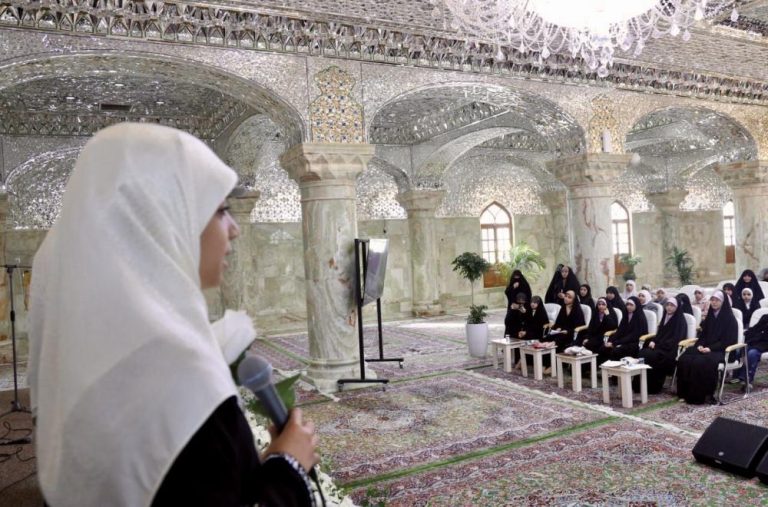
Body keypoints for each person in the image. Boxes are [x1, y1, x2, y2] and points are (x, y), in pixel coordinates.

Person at [27, 124, 319, 507]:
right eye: (219, 211)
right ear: (166, 221)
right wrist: (289, 466)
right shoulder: (177, 373)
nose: (233, 231)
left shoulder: (100, 359)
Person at [676, 290, 738, 405]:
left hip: (722, 350)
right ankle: (685, 393)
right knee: (685, 358)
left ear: (723, 302)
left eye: (717, 300)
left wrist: (710, 349)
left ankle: (702, 395)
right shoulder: (710, 316)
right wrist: (700, 345)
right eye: (712, 300)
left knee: (700, 362)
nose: (714, 303)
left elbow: (728, 340)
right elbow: (703, 335)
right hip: (706, 347)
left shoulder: (730, 319)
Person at [636, 298, 687, 394]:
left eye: (672, 305)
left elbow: (676, 339)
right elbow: (659, 334)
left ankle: (653, 387)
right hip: (660, 347)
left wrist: (658, 344)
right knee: (642, 353)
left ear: (677, 307)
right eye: (667, 305)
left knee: (652, 356)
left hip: (670, 349)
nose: (669, 307)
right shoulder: (665, 317)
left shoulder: (680, 321)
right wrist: (653, 341)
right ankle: (639, 385)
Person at [596, 296, 647, 364]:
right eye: (627, 304)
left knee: (616, 350)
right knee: (604, 347)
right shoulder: (626, 315)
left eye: (631, 305)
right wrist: (611, 341)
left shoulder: (640, 317)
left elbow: (633, 336)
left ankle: (614, 373)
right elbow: (620, 330)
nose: (628, 307)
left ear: (636, 306)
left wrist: (616, 343)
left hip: (635, 342)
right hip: (624, 340)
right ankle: (603, 369)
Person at [733, 313, 768, 389]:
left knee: (752, 353)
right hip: (756, 342)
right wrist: (748, 333)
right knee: (739, 350)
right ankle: (736, 377)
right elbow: (756, 328)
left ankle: (747, 380)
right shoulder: (765, 317)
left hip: (764, 346)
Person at [504, 270, 532, 336]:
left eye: (518, 277)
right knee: (510, 322)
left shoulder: (524, 284)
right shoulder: (512, 284)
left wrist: (522, 305)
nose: (516, 279)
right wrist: (513, 287)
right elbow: (506, 292)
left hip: (522, 307)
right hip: (513, 307)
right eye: (515, 277)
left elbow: (528, 295)